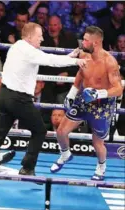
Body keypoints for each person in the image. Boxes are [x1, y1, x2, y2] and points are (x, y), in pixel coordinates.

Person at [0, 22, 88, 185]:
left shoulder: (17, 46)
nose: (42, 39)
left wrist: (69, 57)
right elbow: (49, 60)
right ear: (30, 37)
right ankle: (27, 167)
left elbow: (45, 57)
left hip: (4, 96)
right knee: (39, 130)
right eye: (39, 36)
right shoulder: (28, 50)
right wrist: (75, 62)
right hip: (19, 99)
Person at [50, 26, 123, 181]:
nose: (82, 42)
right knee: (61, 131)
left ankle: (101, 166)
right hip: (84, 99)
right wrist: (71, 94)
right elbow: (81, 73)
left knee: (97, 142)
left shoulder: (109, 62)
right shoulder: (83, 53)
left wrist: (99, 93)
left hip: (102, 105)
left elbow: (118, 89)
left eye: (85, 40)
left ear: (95, 43)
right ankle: (65, 154)